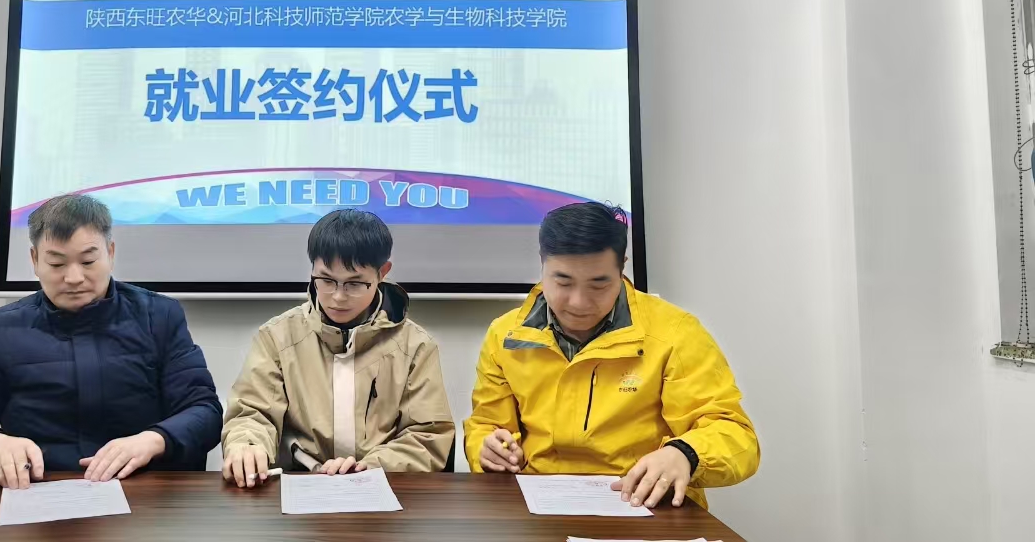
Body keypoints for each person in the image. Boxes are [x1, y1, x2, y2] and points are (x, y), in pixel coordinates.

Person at [0, 194, 221, 489]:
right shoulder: (3, 330)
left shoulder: (158, 316)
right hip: (44, 496)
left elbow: (204, 411)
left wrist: (154, 440)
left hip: (146, 495)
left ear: (110, 254)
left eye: (88, 261)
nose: (73, 278)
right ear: (35, 260)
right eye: (57, 264)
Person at [463, 202, 759, 509]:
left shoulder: (675, 333)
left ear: (622, 268)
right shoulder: (505, 335)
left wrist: (686, 453)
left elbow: (736, 436)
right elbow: (486, 424)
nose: (578, 302)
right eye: (562, 282)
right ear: (542, 264)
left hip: (643, 503)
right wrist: (486, 447)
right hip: (537, 506)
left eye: (599, 284)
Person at [221, 209, 454, 487]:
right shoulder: (277, 337)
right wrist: (247, 444)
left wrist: (370, 466)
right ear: (312, 270)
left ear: (382, 273)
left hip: (381, 486)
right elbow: (252, 414)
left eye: (355, 283)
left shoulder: (415, 346)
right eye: (326, 280)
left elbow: (427, 437)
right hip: (299, 485)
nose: (338, 296)